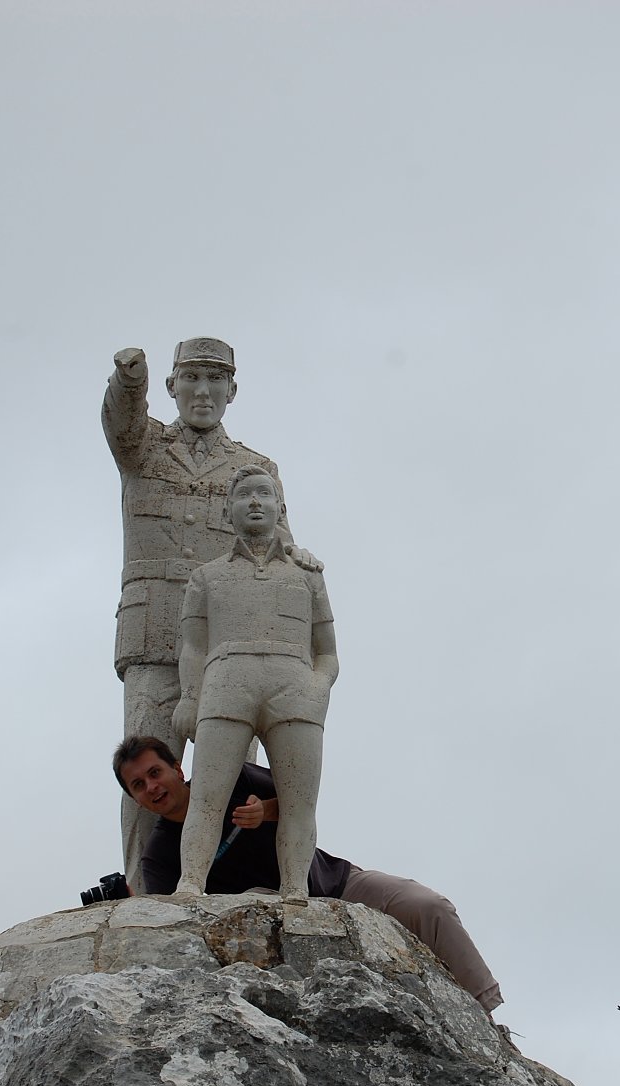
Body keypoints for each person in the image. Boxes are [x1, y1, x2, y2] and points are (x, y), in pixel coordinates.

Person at [102, 335, 320, 891]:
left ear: (232, 391)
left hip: (232, 644)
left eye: (215, 380)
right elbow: (121, 422)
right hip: (154, 632)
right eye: (192, 379)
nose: (203, 391)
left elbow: (279, 545)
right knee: (147, 773)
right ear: (171, 386)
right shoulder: (144, 447)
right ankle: (141, 890)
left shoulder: (255, 467)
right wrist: (129, 379)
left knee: (226, 777)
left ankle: (224, 886)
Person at [112, 736, 504, 1015]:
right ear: (135, 799)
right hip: (269, 920)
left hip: (333, 882)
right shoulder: (159, 856)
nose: (152, 786)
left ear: (178, 768)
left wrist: (265, 811)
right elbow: (176, 922)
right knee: (255, 896)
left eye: (155, 772)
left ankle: (485, 1013)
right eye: (139, 785)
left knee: (428, 905)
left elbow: (301, 797)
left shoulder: (232, 778)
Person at [172, 464, 338, 905]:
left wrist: (317, 688)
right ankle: (190, 882)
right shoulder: (206, 576)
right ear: (227, 510)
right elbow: (193, 647)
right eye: (244, 495)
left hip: (293, 686)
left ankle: (295, 888)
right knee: (207, 795)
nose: (254, 503)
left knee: (300, 802)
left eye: (264, 494)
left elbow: (327, 651)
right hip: (227, 681)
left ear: (281, 507)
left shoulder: (307, 574)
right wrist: (190, 695)